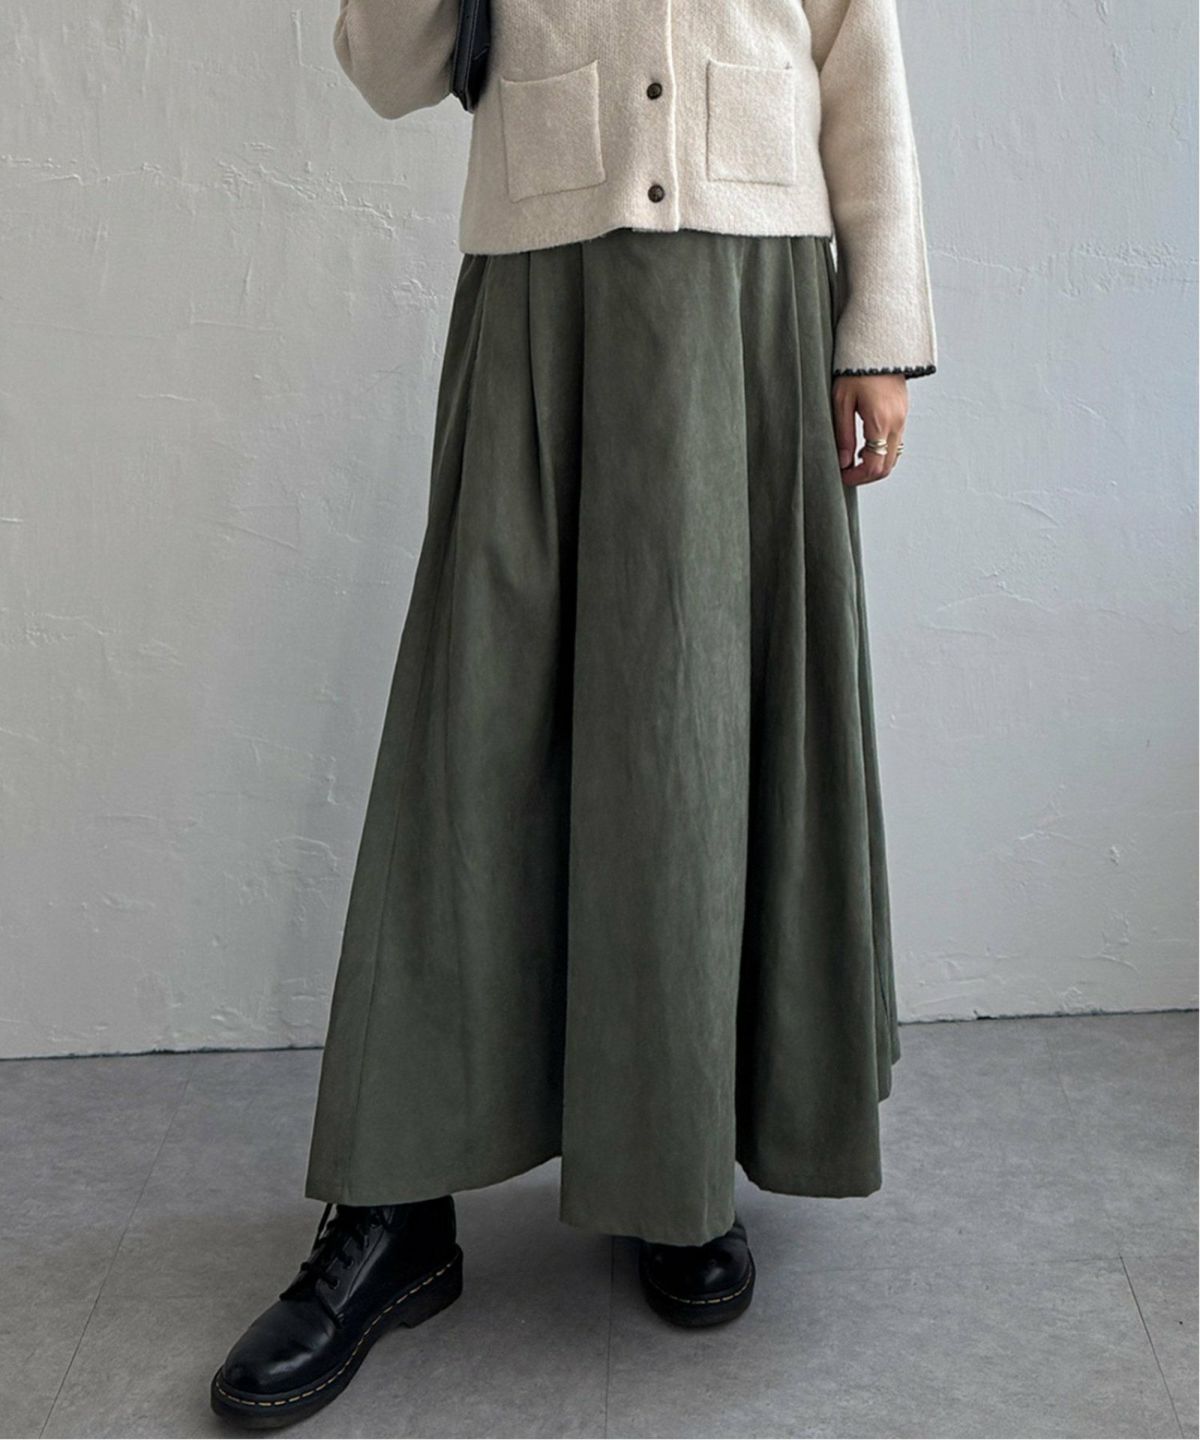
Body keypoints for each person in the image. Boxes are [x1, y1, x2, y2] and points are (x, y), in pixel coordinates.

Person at [210, 0, 937, 1426]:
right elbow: (388, 71)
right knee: (468, 737)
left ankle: (675, 1170)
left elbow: (861, 57)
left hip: (748, 297)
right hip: (539, 294)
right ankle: (394, 1212)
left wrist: (882, 324)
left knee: (693, 748)